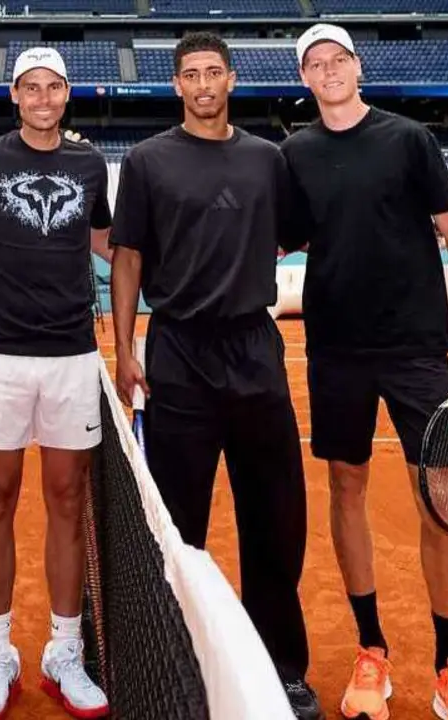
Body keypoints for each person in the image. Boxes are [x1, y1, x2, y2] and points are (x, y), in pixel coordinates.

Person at [280, 23, 448, 720]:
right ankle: (371, 650)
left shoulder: (409, 139)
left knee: (438, 499)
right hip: (336, 351)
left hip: (414, 352)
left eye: (338, 58)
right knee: (346, 486)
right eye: (315, 63)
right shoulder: (293, 154)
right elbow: (278, 233)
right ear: (305, 80)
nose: (329, 70)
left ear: (356, 67)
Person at [109, 30, 322, 720]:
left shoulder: (268, 159)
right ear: (176, 85)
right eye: (190, 74)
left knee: (275, 520)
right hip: (178, 352)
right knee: (178, 526)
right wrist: (125, 349)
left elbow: (289, 232)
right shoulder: (146, 161)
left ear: (230, 79)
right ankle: (179, 665)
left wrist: (237, 267)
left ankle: (281, 667)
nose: (203, 84)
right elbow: (129, 260)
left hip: (255, 349)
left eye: (213, 72)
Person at [0, 46, 114, 720]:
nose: (43, 99)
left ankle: (63, 651)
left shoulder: (90, 163)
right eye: (31, 88)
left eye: (54, 88)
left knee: (68, 500)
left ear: (66, 96)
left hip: (72, 354)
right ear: (15, 97)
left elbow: (109, 242)